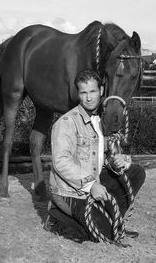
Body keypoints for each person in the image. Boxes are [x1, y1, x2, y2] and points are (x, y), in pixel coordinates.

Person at [45, 69, 146, 244]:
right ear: (78, 94)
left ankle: (116, 221)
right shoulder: (66, 123)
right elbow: (61, 162)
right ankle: (56, 218)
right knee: (105, 234)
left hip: (93, 181)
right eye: (83, 92)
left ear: (101, 91)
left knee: (136, 172)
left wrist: (118, 161)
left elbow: (100, 158)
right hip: (70, 192)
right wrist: (91, 185)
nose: (89, 97)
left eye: (92, 91)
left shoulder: (99, 120)